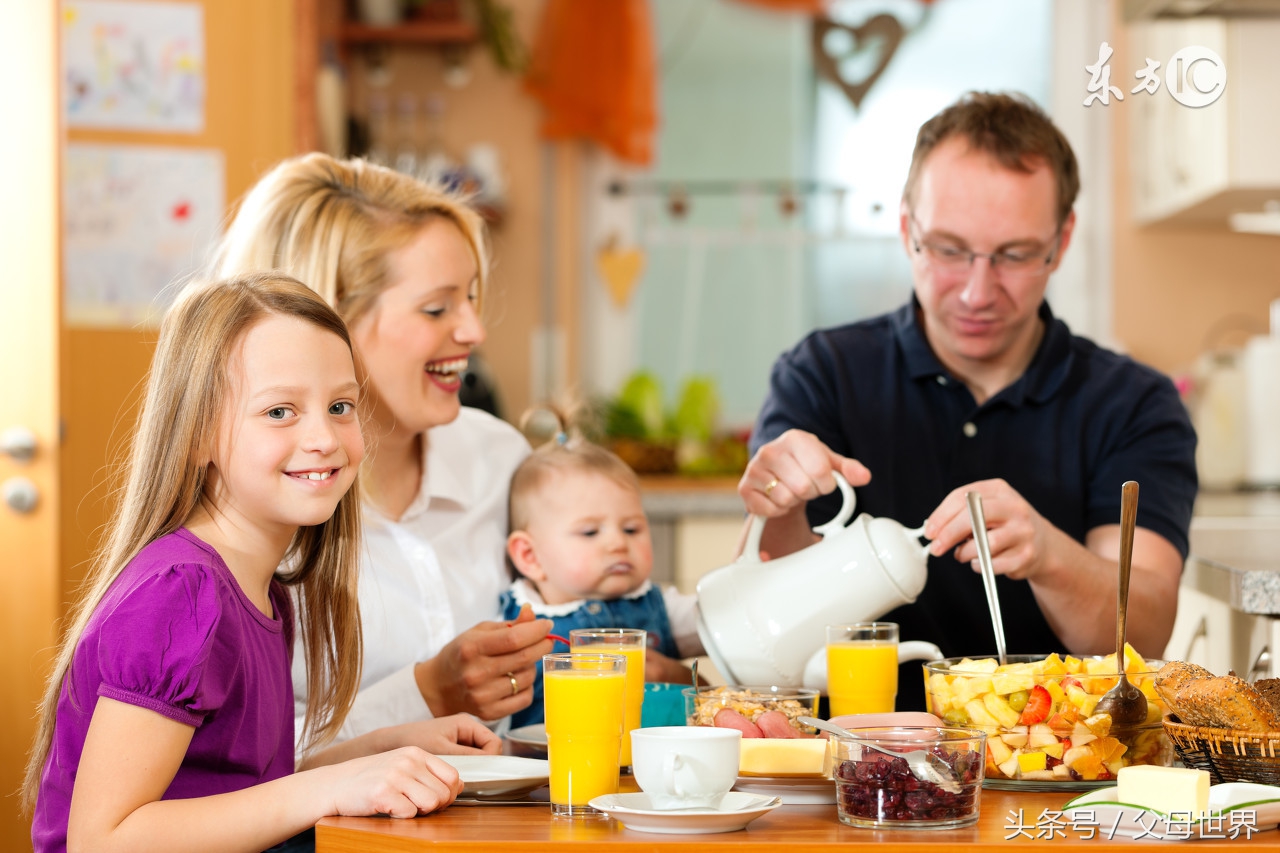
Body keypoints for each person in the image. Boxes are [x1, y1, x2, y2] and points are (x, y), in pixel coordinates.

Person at [739, 92, 1197, 711]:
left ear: (1061, 242)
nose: (977, 292)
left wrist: (1048, 553)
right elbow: (768, 613)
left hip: (1058, 770)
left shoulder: (1135, 402)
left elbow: (1142, 635)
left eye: (1013, 255)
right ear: (907, 230)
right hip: (850, 766)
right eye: (950, 250)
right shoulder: (823, 373)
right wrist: (779, 504)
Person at [24, 275, 499, 853]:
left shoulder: (262, 591)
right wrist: (334, 783)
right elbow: (104, 841)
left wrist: (377, 753)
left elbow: (235, 794)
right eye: (279, 411)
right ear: (197, 437)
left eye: (340, 406)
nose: (323, 436)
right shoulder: (182, 594)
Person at [212, 154, 553, 742]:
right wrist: (422, 696)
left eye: (470, 298)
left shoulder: (499, 458)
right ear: (326, 317)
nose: (473, 330)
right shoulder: (251, 510)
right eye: (437, 308)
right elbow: (226, 759)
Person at [501, 420, 704, 728]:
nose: (618, 543)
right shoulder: (512, 627)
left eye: (632, 528)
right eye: (590, 531)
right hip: (545, 770)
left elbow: (720, 623)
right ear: (530, 556)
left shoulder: (660, 606)